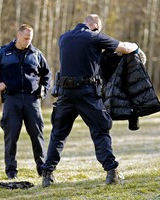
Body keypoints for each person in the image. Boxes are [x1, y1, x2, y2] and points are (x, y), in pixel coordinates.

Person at [41, 14, 139, 187]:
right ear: (95, 26)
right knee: (100, 130)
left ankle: (47, 175)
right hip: (86, 93)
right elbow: (123, 48)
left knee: (58, 133)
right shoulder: (95, 36)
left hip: (65, 93)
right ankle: (112, 172)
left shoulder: (64, 38)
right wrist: (135, 46)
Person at [0, 24, 51, 180]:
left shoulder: (36, 54)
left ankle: (43, 170)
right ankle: (11, 172)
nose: (28, 41)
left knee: (37, 136)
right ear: (18, 35)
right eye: (26, 38)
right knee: (11, 137)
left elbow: (47, 74)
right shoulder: (3, 52)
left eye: (30, 39)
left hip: (32, 100)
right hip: (11, 99)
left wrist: (43, 90)